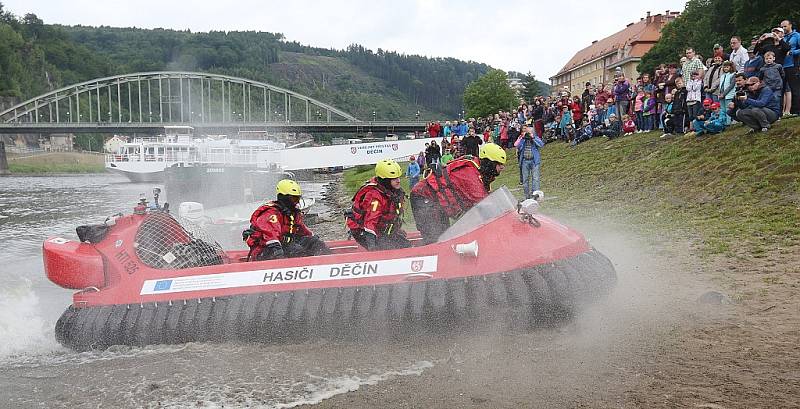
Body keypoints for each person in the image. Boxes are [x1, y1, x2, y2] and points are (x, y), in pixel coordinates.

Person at [410, 143, 506, 244]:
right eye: (499, 164)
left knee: (444, 235)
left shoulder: (479, 173)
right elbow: (483, 203)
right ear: (490, 163)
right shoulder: (469, 173)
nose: (502, 168)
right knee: (436, 239)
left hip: (436, 200)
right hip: (424, 196)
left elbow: (488, 199)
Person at [245, 179, 329, 261]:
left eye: (298, 199)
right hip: (265, 249)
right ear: (284, 197)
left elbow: (302, 229)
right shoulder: (271, 213)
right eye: (294, 199)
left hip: (284, 245)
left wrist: (313, 238)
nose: (296, 202)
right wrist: (278, 254)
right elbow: (270, 235)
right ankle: (301, 269)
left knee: (315, 243)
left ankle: (326, 262)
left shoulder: (292, 213)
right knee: (296, 250)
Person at [346, 159, 410, 251]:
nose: (398, 181)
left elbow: (391, 214)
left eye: (398, 178)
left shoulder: (392, 192)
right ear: (385, 180)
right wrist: (373, 247)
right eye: (394, 179)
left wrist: (395, 230)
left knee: (405, 245)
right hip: (364, 231)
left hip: (380, 230)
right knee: (388, 249)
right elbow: (370, 222)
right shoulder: (374, 197)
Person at [515, 125, 543, 199]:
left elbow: (541, 144)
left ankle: (535, 195)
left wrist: (533, 138)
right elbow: (518, 146)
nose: (528, 134)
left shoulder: (535, 138)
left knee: (535, 179)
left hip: (534, 161)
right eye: (527, 132)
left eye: (529, 132)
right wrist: (523, 138)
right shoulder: (523, 139)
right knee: (525, 180)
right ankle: (527, 196)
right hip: (525, 161)